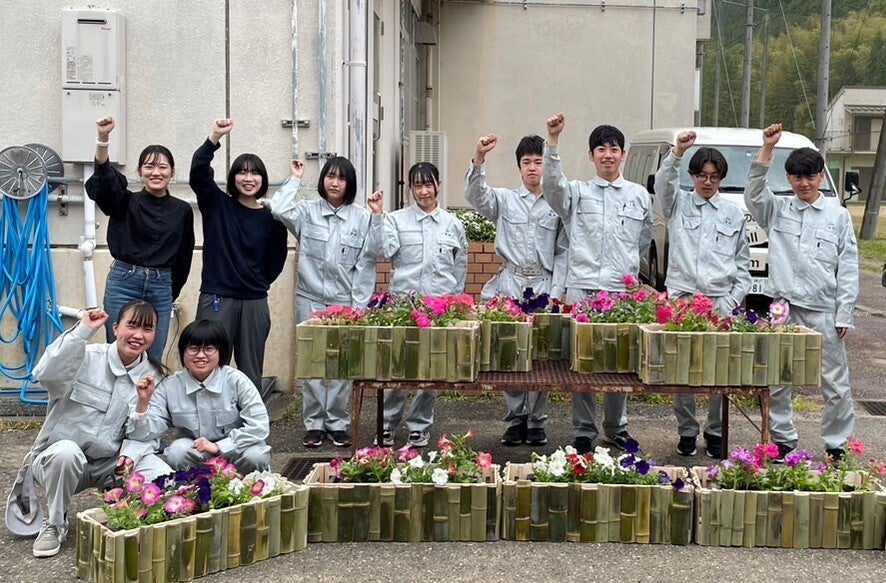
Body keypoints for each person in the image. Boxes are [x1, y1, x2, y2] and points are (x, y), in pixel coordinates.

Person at [5, 301, 172, 558]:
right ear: (115, 328)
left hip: (110, 466)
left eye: (147, 329)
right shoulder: (86, 356)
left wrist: (141, 408)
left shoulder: (155, 377)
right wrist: (83, 330)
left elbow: (148, 436)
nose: (138, 335)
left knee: (163, 475)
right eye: (132, 326)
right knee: (66, 453)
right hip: (61, 463)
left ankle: (126, 509)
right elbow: (45, 374)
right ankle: (55, 524)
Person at [745, 123, 859, 462]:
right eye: (796, 177)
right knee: (779, 377)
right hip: (784, 306)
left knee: (834, 382)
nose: (803, 183)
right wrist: (767, 148)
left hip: (824, 309)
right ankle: (782, 440)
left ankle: (836, 443)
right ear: (789, 179)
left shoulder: (838, 217)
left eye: (810, 176)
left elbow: (848, 267)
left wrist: (844, 313)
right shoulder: (778, 210)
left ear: (821, 176)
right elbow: (753, 193)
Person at [542, 113, 653, 455]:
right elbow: (552, 188)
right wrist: (553, 142)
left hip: (621, 290)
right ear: (591, 156)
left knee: (620, 362)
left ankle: (616, 427)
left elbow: (643, 241)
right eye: (601, 149)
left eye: (614, 149)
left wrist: (627, 274)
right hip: (584, 286)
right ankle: (583, 430)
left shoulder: (638, 196)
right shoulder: (577, 193)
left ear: (623, 155)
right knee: (584, 361)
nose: (608, 155)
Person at [266, 157, 377, 449]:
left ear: (349, 184)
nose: (334, 183)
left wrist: (359, 306)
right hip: (310, 298)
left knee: (342, 365)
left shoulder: (361, 218)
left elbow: (365, 266)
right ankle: (314, 424)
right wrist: (295, 179)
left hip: (344, 302)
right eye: (330, 176)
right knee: (313, 361)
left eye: (341, 178)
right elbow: (278, 208)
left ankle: (338, 424)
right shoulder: (307, 211)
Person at [464, 134, 567, 447]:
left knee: (541, 354)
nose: (533, 168)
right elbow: (476, 195)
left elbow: (563, 251)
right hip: (511, 282)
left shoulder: (557, 203)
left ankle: (537, 421)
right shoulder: (505, 200)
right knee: (509, 351)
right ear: (519, 167)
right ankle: (514, 419)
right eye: (527, 162)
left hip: (544, 284)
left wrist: (558, 291)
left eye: (538, 162)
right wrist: (479, 157)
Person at [654, 131, 751, 459]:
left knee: (718, 370)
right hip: (684, 300)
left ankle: (715, 431)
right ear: (692, 176)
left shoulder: (733, 214)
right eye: (701, 176)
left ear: (721, 178)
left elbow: (742, 266)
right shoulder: (678, 204)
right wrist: (677, 153)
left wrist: (731, 301)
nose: (707, 182)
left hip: (719, 301)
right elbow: (663, 183)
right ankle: (687, 431)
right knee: (683, 369)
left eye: (714, 177)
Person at [367, 162, 468, 447]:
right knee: (397, 366)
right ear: (411, 188)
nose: (424, 191)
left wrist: (453, 301)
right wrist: (377, 216)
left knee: (431, 368)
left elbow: (460, 266)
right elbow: (383, 250)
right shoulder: (396, 220)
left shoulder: (453, 224)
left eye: (428, 185)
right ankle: (387, 425)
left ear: (438, 186)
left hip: (439, 309)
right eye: (418, 186)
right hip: (404, 307)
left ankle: (419, 425)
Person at [188, 119, 289, 396]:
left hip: (254, 300)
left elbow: (276, 261)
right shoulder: (217, 205)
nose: (248, 178)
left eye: (255, 173)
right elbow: (198, 173)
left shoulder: (273, 219)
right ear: (233, 178)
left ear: (263, 180)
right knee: (209, 363)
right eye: (242, 172)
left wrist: (257, 281)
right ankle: (207, 417)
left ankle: (250, 419)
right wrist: (214, 138)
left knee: (250, 370)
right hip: (217, 296)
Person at [85, 116, 195, 362]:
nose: (156, 172)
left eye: (163, 167)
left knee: (153, 355)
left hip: (161, 285)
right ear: (140, 171)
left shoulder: (182, 210)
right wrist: (103, 138)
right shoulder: (124, 201)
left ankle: (148, 389)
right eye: (149, 167)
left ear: (172, 172)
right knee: (119, 351)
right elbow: (105, 179)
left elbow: (184, 255)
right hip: (123, 282)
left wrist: (170, 289)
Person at [128, 320, 271, 473]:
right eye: (193, 349)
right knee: (177, 451)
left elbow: (259, 425)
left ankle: (247, 485)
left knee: (256, 455)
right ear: (183, 352)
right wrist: (143, 403)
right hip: (197, 451)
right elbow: (144, 434)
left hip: (235, 449)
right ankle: (193, 485)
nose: (201, 355)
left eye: (209, 349)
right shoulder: (169, 386)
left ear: (221, 351)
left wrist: (220, 446)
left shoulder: (237, 380)